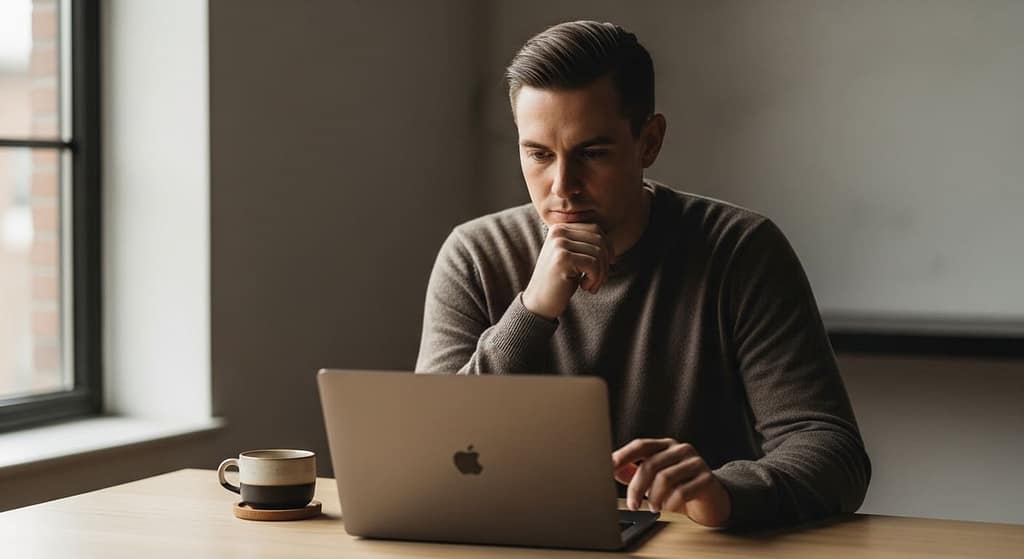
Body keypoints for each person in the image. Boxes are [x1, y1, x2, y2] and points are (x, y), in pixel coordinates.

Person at [415, 20, 870, 530]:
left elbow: (834, 453)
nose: (562, 187)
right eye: (538, 154)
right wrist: (532, 312)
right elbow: (428, 456)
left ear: (649, 141)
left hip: (692, 546)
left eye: (592, 153)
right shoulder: (475, 254)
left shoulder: (741, 250)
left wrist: (723, 493)